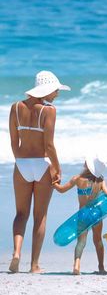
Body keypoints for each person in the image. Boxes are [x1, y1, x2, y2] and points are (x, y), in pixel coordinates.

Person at [9, 70, 71, 273]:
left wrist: (21, 160)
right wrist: (57, 167)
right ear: (47, 89)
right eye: (55, 90)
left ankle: (16, 252)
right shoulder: (49, 110)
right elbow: (49, 145)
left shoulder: (15, 108)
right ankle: (34, 265)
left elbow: (13, 142)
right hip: (43, 164)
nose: (57, 94)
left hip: (22, 165)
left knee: (20, 213)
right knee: (40, 215)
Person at [54, 157, 107, 275]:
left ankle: (76, 265)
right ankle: (101, 267)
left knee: (81, 242)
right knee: (97, 241)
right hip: (96, 214)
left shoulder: (77, 179)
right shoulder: (100, 180)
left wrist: (54, 183)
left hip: (82, 214)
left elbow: (61, 190)